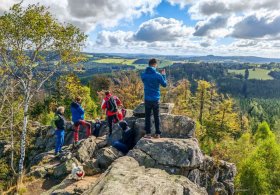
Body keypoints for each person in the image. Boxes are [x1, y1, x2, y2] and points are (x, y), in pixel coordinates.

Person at [141, 58, 167, 139]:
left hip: (147, 98)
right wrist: (163, 75)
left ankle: (148, 134)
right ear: (155, 64)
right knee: (156, 116)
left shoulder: (143, 75)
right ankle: (157, 134)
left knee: (147, 117)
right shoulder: (158, 75)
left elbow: (144, 81)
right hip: (155, 99)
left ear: (149, 64)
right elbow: (164, 85)